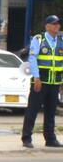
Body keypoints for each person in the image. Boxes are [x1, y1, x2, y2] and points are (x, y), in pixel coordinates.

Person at [22, 14, 63, 149]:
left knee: (51, 112)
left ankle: (50, 139)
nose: (57, 26)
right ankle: (27, 138)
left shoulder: (61, 40)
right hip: (41, 81)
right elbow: (32, 59)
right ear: (47, 26)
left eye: (58, 24)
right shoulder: (39, 39)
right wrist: (36, 77)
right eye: (54, 24)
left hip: (55, 82)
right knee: (32, 110)